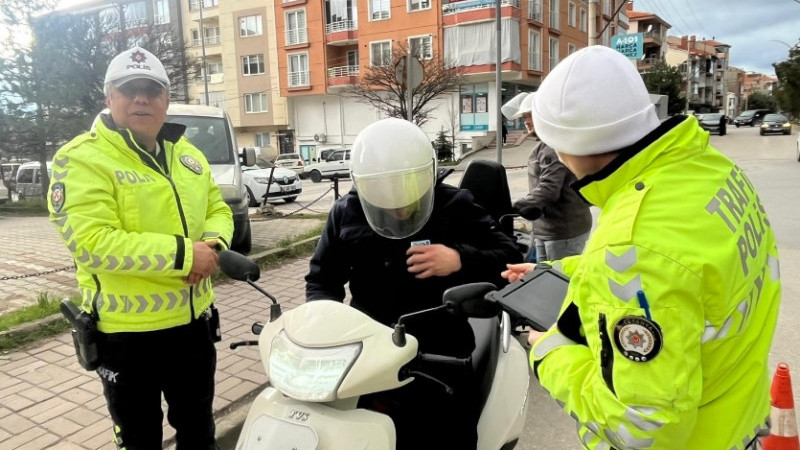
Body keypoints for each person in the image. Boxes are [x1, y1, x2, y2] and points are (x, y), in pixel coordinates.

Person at [503, 45, 780, 449]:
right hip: (741, 418)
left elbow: (644, 430)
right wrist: (570, 271)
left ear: (564, 145)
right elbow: (690, 274)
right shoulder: (709, 171)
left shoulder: (636, 240)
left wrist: (550, 353)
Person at [47, 46, 232, 449]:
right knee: (139, 439)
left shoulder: (189, 155)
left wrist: (214, 245)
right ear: (109, 97)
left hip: (192, 328)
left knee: (199, 432)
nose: (141, 98)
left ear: (166, 99)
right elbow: (91, 243)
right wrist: (186, 255)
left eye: (152, 89)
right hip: (128, 340)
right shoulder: (81, 159)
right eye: (130, 89)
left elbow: (219, 209)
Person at [305, 117, 523, 450]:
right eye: (383, 191)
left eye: (406, 187)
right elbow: (322, 281)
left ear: (427, 174)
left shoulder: (455, 205)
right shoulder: (345, 213)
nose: (398, 203)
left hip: (441, 354)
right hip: (371, 356)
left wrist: (459, 259)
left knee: (451, 439)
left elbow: (508, 257)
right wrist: (324, 331)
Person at [502, 92, 592, 263]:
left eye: (530, 116)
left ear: (544, 117)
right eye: (524, 116)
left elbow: (549, 189)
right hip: (549, 228)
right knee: (544, 277)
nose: (526, 120)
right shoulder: (545, 145)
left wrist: (515, 206)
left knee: (557, 282)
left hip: (563, 230)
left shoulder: (551, 147)